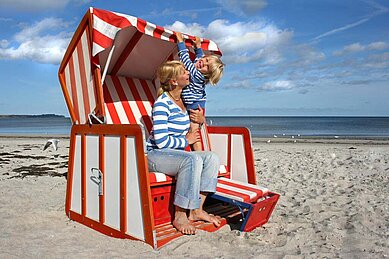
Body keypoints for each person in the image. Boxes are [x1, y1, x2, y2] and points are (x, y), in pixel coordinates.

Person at [147, 60, 221, 235]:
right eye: (184, 72)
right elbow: (162, 142)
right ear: (174, 81)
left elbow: (194, 123)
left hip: (175, 155)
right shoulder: (161, 104)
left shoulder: (183, 102)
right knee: (193, 158)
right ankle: (180, 215)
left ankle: (196, 210)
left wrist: (202, 121)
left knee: (211, 157)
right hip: (155, 155)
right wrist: (186, 141)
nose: (189, 74)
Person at [176, 32, 224, 151]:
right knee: (193, 130)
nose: (204, 63)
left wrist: (181, 43)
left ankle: (199, 153)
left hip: (194, 104)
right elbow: (199, 58)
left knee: (193, 131)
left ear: (206, 74)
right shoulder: (198, 67)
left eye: (207, 67)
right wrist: (198, 47)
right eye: (206, 60)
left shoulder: (196, 74)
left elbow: (185, 59)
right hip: (198, 102)